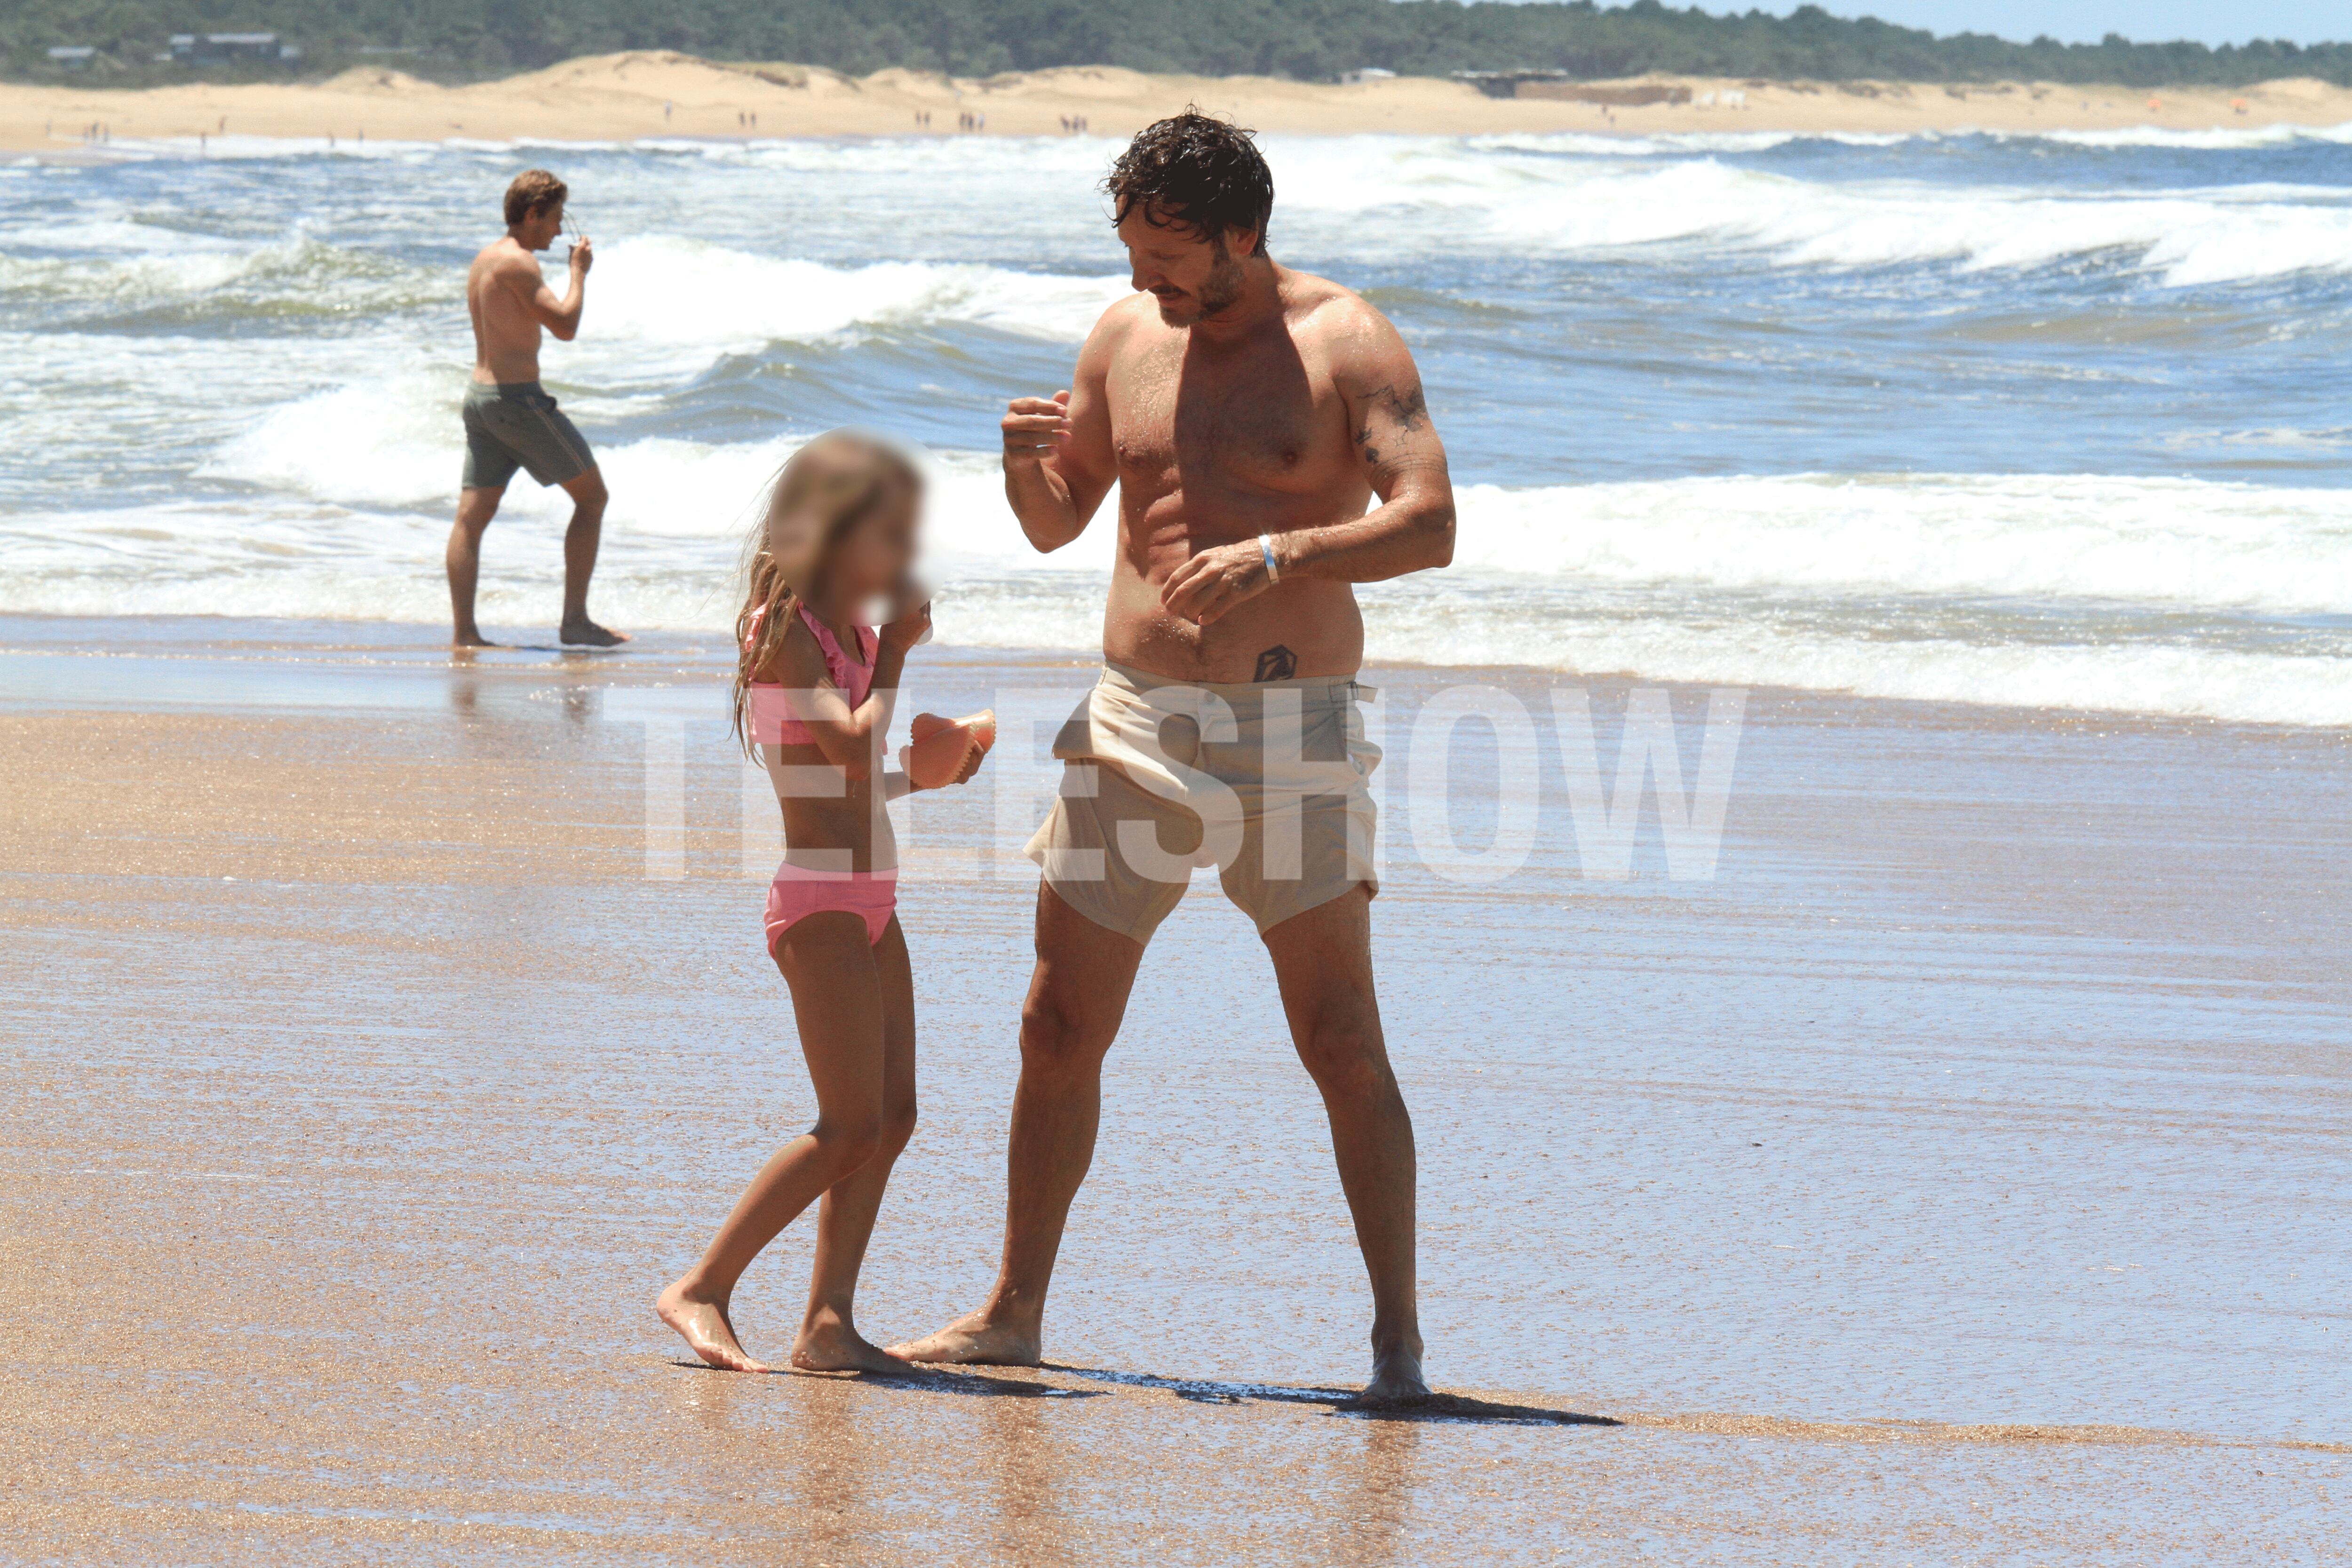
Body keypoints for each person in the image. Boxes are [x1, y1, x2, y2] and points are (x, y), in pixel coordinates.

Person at [893, 111, 1455, 1402]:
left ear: (1241, 236)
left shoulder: (1347, 342)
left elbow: (1430, 521)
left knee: (1337, 1033)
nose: (1148, 285)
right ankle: (1012, 1312)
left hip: (1291, 724)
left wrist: (1282, 553)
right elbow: (1056, 523)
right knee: (1057, 1023)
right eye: (1135, 256)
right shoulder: (1123, 335)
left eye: (1170, 261)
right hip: (1136, 717)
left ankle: (1397, 1343)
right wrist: (1019, 465)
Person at [657, 431, 992, 1374]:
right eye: (889, 536)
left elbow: (852, 781)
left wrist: (925, 780)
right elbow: (846, 745)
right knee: (846, 1123)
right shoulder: (785, 631)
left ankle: (827, 1323)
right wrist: (896, 658)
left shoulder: (849, 634)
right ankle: (702, 1285)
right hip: (816, 905)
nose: (902, 558)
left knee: (892, 1115)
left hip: (873, 898)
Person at [448, 168, 625, 648]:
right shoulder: (520, 264)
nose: (557, 229)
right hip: (517, 402)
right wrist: (578, 273)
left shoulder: (486, 259)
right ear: (532, 215)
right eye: (554, 218)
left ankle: (464, 634)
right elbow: (564, 325)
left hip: (481, 400)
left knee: (471, 517)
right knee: (592, 499)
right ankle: (575, 622)